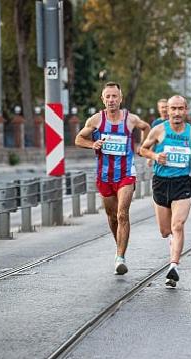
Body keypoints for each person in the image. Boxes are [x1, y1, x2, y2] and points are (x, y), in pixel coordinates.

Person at [75, 81, 151, 275]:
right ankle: (120, 244)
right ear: (103, 99)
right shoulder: (96, 120)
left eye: (114, 96)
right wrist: (93, 144)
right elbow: (78, 139)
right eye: (108, 96)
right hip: (104, 175)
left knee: (122, 213)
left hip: (126, 174)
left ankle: (120, 257)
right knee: (111, 216)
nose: (111, 100)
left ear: (120, 98)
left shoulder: (130, 119)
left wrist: (143, 147)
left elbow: (146, 127)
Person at [139, 95, 191, 288]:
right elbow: (142, 149)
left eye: (180, 108)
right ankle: (172, 247)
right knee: (165, 230)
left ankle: (174, 266)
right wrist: (154, 155)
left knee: (177, 225)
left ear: (186, 110)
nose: (177, 113)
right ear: (167, 111)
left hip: (182, 183)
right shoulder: (159, 130)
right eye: (173, 109)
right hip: (161, 182)